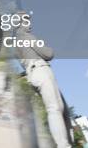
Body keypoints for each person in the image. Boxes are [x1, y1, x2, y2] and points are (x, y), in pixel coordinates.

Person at [15, 12, 72, 148]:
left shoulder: (16, 42)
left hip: (32, 74)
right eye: (27, 20)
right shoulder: (26, 36)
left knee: (61, 111)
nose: (29, 24)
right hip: (41, 69)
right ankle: (63, 145)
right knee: (55, 108)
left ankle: (64, 142)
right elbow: (48, 53)